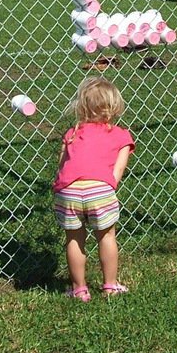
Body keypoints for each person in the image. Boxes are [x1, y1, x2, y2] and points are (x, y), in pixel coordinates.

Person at [52, 76, 134, 301]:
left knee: (74, 238)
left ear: (81, 106)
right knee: (106, 236)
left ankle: (79, 289)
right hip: (99, 189)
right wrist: (107, 186)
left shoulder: (72, 133)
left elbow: (62, 165)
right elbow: (117, 172)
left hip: (68, 189)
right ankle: (110, 285)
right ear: (114, 107)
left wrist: (59, 187)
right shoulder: (121, 135)